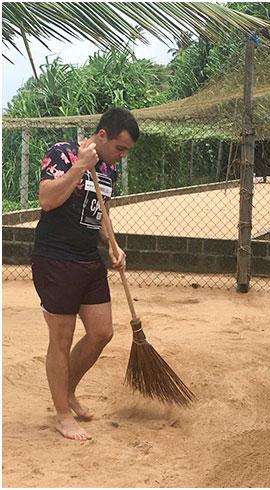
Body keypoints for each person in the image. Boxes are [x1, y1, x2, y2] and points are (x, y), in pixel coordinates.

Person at [32, 107, 138, 441]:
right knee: (60, 340)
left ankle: (68, 391)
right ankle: (62, 415)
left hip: (88, 259)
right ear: (102, 136)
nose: (121, 157)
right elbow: (48, 200)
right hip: (55, 259)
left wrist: (112, 245)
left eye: (126, 152)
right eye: (119, 148)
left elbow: (99, 217)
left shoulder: (108, 171)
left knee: (101, 332)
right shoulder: (62, 153)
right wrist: (80, 166)